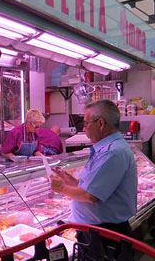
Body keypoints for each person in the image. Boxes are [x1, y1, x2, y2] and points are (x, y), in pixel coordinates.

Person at [50, 100, 137, 236]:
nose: (84, 129)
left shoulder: (112, 152)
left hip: (104, 234)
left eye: (86, 124)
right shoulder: (106, 149)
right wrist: (69, 179)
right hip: (98, 230)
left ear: (101, 123)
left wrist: (61, 188)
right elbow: (90, 187)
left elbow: (90, 196)